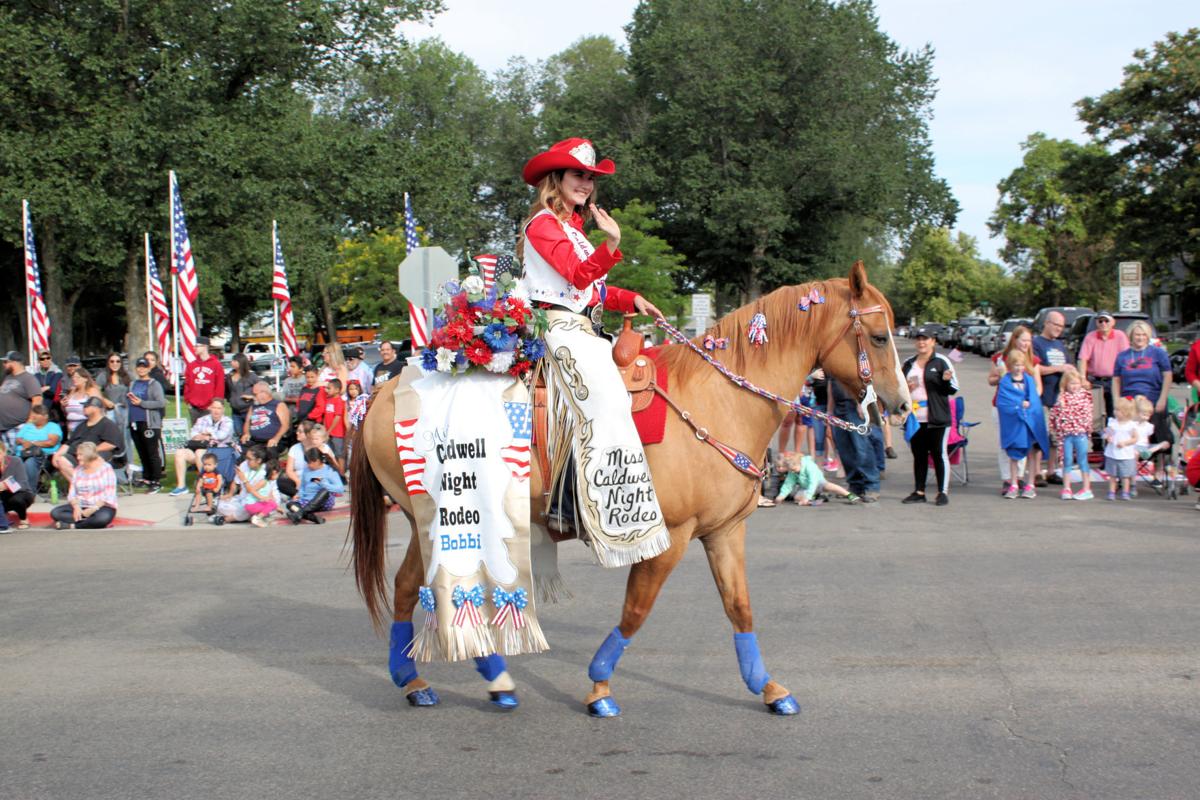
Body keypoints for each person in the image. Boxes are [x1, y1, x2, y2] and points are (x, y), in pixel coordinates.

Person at [517, 137, 665, 544]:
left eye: (590, 177)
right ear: (556, 178)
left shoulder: (575, 229)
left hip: (583, 327)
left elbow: (593, 289)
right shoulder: (543, 225)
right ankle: (570, 501)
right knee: (602, 397)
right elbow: (577, 276)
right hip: (556, 327)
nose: (585, 183)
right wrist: (612, 245)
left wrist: (629, 298)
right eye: (577, 175)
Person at [899, 326, 958, 506]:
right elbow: (899, 389)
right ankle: (919, 491)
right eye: (919, 339)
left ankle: (942, 492)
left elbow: (952, 389)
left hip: (937, 417)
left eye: (926, 339)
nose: (921, 342)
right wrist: (905, 392)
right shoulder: (909, 363)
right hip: (915, 418)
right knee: (919, 455)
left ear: (933, 341)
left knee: (939, 454)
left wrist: (945, 380)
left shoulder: (941, 361)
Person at [1112, 320, 1174, 483]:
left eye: (1143, 335)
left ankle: (1159, 471)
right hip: (1130, 401)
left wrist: (1162, 399)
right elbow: (1116, 380)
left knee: (1158, 434)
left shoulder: (1157, 353)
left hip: (1153, 399)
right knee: (1126, 434)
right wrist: (1117, 401)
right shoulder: (1122, 356)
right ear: (1131, 336)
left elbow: (1167, 376)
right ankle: (1125, 473)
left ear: (1148, 337)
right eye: (1137, 335)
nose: (1140, 338)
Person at [988, 325, 1042, 486]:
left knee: (1023, 442)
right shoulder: (1000, 358)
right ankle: (1007, 478)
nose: (1026, 344)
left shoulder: (1033, 360)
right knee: (1006, 442)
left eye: (1029, 341)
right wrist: (1000, 376)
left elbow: (1038, 387)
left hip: (1025, 409)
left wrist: (1031, 401)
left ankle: (1018, 477)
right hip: (1003, 409)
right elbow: (990, 380)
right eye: (1023, 340)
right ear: (1015, 339)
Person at [996, 351, 1049, 499]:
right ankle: (1013, 483)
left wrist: (1028, 406)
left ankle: (1030, 484)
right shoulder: (1005, 382)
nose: (1019, 368)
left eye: (1021, 365)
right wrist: (1019, 404)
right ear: (1010, 366)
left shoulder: (1029, 381)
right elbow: (1003, 403)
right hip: (1014, 424)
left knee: (1031, 453)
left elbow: (1034, 401)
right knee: (1014, 454)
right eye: (1015, 365)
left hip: (1030, 423)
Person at [169, 398, 236, 496]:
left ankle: (207, 484)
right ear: (210, 408)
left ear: (223, 410)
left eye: (219, 408)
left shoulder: (227, 421)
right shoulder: (202, 419)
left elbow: (221, 436)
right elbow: (193, 434)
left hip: (220, 451)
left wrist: (206, 433)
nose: (216, 410)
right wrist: (208, 435)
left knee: (199, 453)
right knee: (180, 452)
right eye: (214, 407)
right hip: (202, 448)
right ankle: (181, 486)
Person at [1032, 311, 1069, 486]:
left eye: (1061, 326)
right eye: (1055, 325)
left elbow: (1069, 367)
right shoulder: (1036, 343)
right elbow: (1035, 368)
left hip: (1058, 398)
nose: (1058, 329)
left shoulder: (1061, 346)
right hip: (1042, 396)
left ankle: (1052, 471)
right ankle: (1038, 472)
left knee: (1056, 437)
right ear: (1046, 323)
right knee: (1041, 436)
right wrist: (1058, 368)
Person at [829, 380, 881, 502]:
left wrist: (861, 404)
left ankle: (872, 486)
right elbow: (831, 386)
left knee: (862, 447)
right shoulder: (832, 364)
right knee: (844, 449)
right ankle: (855, 485)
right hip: (838, 408)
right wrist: (829, 410)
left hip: (854, 406)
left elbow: (863, 382)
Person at [1049, 366, 1095, 500]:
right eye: (1071, 383)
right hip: (1066, 435)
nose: (1074, 386)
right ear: (1065, 384)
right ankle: (1066, 488)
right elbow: (1054, 414)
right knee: (1066, 460)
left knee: (1082, 460)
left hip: (1080, 433)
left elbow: (1088, 415)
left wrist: (1087, 429)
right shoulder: (1061, 398)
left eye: (1077, 383)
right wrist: (1054, 429)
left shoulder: (1085, 397)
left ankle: (1086, 488)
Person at [51, 397, 122, 482]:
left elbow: (111, 444)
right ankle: (81, 484)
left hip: (95, 455)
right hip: (76, 455)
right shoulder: (82, 425)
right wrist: (57, 454)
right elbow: (68, 443)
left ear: (96, 408)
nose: (83, 408)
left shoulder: (107, 424)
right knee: (60, 460)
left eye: (87, 406)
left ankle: (85, 485)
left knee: (92, 460)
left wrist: (89, 451)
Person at [1076, 311, 1128, 424]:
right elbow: (1083, 359)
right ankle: (1097, 440)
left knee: (1114, 413)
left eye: (1106, 320)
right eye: (1100, 321)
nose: (1103, 323)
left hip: (1114, 380)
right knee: (1095, 415)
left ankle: (1113, 439)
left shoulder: (1120, 336)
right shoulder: (1090, 336)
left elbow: (1126, 359)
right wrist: (1082, 378)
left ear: (1113, 322)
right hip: (1095, 380)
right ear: (1097, 323)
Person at [50, 442, 118, 530]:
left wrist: (93, 509)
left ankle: (73, 525)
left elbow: (109, 494)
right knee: (55, 513)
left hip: (101, 506)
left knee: (102, 518)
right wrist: (76, 507)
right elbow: (72, 492)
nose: (77, 458)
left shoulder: (106, 469)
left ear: (89, 455)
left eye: (80, 455)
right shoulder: (78, 470)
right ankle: (89, 522)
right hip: (81, 504)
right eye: (77, 455)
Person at [126, 357, 166, 492]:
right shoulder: (133, 384)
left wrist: (142, 403)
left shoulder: (154, 384)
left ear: (149, 368)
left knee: (152, 452)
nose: (141, 369)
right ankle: (147, 476)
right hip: (135, 421)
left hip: (149, 422)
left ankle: (156, 479)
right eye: (139, 366)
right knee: (142, 451)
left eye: (144, 366)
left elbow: (160, 402)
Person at [285, 447, 344, 524]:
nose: (308, 465)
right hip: (307, 500)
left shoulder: (329, 471)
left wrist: (324, 484)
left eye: (310, 462)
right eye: (307, 462)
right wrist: (299, 494)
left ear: (317, 461)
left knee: (324, 491)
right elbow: (303, 485)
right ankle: (313, 518)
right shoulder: (306, 470)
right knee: (290, 504)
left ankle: (299, 513)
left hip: (322, 501)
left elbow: (340, 489)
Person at [213, 445, 270, 524]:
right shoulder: (244, 464)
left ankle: (228, 518)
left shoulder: (264, 472)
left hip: (255, 501)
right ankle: (245, 517)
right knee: (216, 502)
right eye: (246, 458)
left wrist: (243, 479)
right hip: (241, 499)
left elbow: (251, 491)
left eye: (249, 459)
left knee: (245, 509)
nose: (247, 461)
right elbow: (235, 482)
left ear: (259, 460)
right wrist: (229, 494)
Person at [778, 451, 859, 506]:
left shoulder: (809, 466)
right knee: (796, 498)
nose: (792, 472)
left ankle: (849, 495)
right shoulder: (792, 471)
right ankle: (816, 497)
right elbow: (788, 484)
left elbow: (813, 482)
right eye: (791, 470)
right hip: (806, 487)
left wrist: (807, 497)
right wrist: (781, 496)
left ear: (799, 463)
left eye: (793, 469)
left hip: (819, 483)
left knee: (829, 486)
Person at [1, 351, 44, 451]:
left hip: (18, 427)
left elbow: (37, 400)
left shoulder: (28, 378)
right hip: (3, 427)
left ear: (15, 363)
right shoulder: (7, 377)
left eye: (6, 362)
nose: (4, 365)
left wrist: (29, 423)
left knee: (17, 456)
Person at [14, 405, 62, 490]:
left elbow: (51, 442)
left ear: (45, 416)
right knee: (10, 462)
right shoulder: (28, 426)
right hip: (21, 455)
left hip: (43, 457)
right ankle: (9, 491)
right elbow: (17, 440)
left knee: (29, 463)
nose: (33, 416)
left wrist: (32, 443)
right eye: (32, 413)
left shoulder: (52, 426)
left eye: (36, 413)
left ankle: (28, 491)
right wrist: (23, 442)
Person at [1103, 396, 1140, 501]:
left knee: (1125, 476)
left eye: (1118, 410)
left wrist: (1125, 443)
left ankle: (1125, 492)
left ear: (1126, 412)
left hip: (1126, 454)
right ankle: (1111, 492)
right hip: (1112, 453)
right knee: (1112, 475)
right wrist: (1108, 437)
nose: (1115, 412)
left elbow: (1135, 438)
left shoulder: (1131, 425)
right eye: (1115, 409)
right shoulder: (1112, 422)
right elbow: (1106, 433)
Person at [241, 380, 290, 456]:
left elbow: (285, 425)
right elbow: (247, 421)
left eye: (255, 394)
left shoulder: (278, 405)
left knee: (270, 451)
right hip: (254, 440)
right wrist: (246, 433)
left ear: (263, 393)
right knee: (241, 447)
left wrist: (276, 438)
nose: (253, 396)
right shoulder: (254, 406)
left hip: (272, 440)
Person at [182, 338, 225, 422]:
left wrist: (216, 403)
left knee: (209, 432)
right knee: (196, 433)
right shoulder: (192, 365)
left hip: (210, 406)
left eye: (197, 346)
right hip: (194, 406)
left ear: (205, 347)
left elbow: (220, 386)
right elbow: (188, 384)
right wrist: (188, 401)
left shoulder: (216, 364)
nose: (194, 348)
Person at [0, 440, 35, 531]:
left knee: (17, 499)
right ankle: (4, 515)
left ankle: (23, 518)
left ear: (4, 452)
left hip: (20, 493)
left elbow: (23, 484)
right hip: (2, 496)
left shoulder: (15, 461)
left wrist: (6, 485)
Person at [59, 369, 101, 434]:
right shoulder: (72, 392)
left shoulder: (91, 391)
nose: (74, 379)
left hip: (86, 430)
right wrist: (62, 406)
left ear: (85, 379)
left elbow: (99, 410)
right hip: (71, 430)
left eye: (77, 377)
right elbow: (66, 411)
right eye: (73, 377)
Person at [225, 353, 257, 437]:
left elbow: (263, 390)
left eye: (234, 360)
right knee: (239, 433)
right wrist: (230, 400)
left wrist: (252, 397)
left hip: (248, 410)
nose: (232, 362)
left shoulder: (251, 376)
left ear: (241, 362)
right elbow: (227, 391)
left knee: (250, 433)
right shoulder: (229, 376)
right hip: (235, 411)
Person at [245, 459, 283, 528]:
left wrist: (277, 507)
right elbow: (252, 490)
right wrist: (262, 497)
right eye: (278, 474)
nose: (278, 476)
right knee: (271, 504)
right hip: (250, 505)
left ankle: (257, 518)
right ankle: (257, 518)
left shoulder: (268, 483)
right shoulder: (263, 482)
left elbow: (271, 497)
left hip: (255, 504)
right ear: (274, 472)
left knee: (272, 503)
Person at [320, 377, 347, 459]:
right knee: (329, 452)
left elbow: (337, 417)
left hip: (337, 433)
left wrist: (329, 430)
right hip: (328, 432)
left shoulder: (339, 401)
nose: (326, 390)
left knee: (339, 453)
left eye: (329, 388)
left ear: (337, 390)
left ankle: (341, 470)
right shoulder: (328, 399)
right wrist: (325, 429)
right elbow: (326, 415)